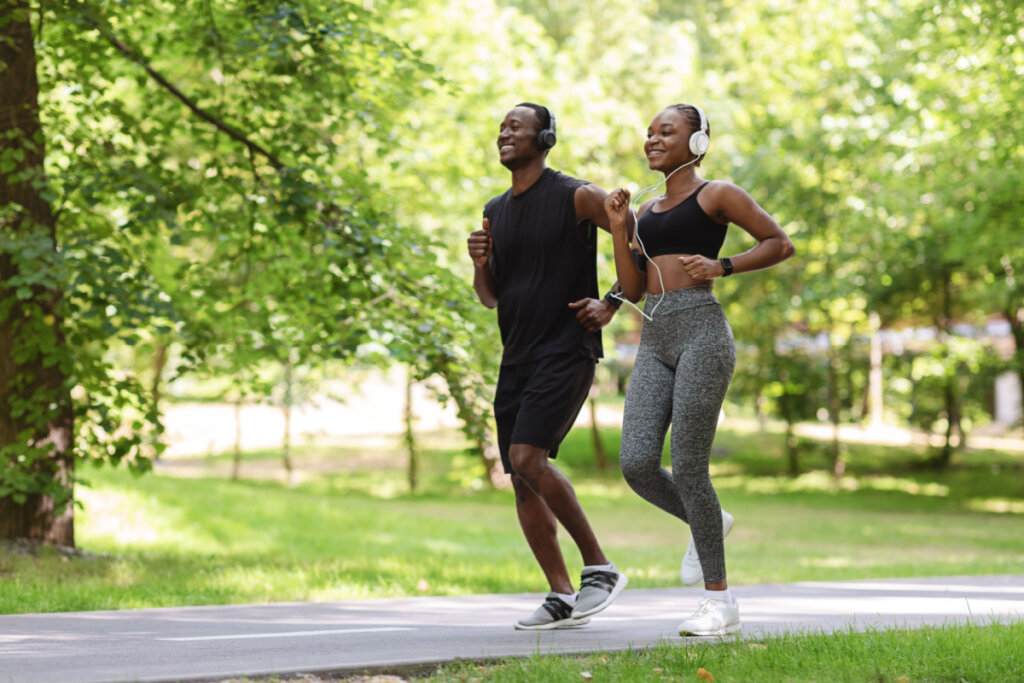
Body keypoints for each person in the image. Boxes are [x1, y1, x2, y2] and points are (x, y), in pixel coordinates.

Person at [603, 104, 794, 636]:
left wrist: (723, 266)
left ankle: (721, 604)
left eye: (666, 131)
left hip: (702, 333)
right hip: (655, 337)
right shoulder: (643, 212)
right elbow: (634, 287)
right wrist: (619, 228)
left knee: (689, 468)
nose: (652, 140)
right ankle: (707, 519)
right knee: (637, 462)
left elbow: (780, 242)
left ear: (697, 142)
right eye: (648, 133)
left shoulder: (718, 194)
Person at [467, 103, 629, 630]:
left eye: (516, 126)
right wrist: (478, 263)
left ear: (547, 137)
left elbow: (636, 238)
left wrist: (613, 301)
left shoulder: (575, 195)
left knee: (527, 457)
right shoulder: (495, 208)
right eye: (501, 128)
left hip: (566, 347)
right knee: (520, 477)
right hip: (516, 355)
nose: (504, 134)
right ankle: (560, 596)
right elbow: (490, 297)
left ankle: (600, 569)